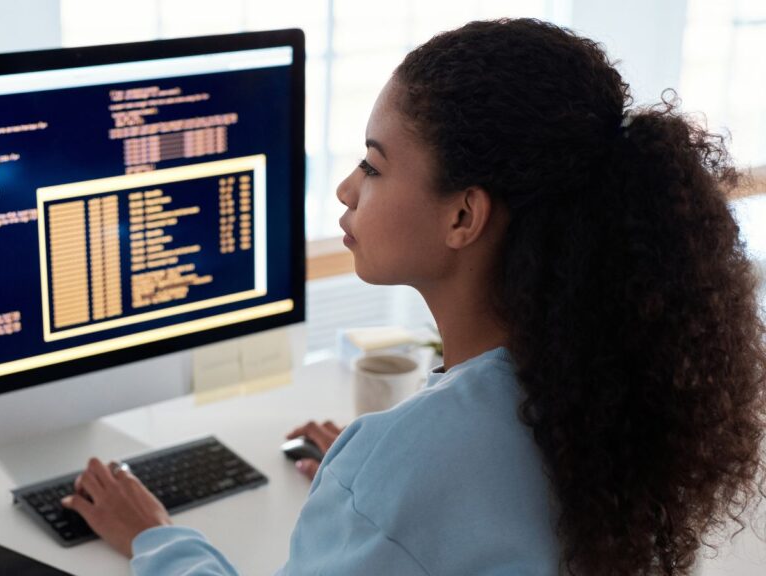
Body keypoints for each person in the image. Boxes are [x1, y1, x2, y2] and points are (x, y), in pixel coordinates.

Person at [61, 18, 766, 575]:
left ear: (464, 216)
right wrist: (375, 497)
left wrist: (158, 539)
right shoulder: (603, 390)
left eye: (373, 164)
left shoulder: (415, 466)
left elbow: (445, 483)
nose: (345, 189)